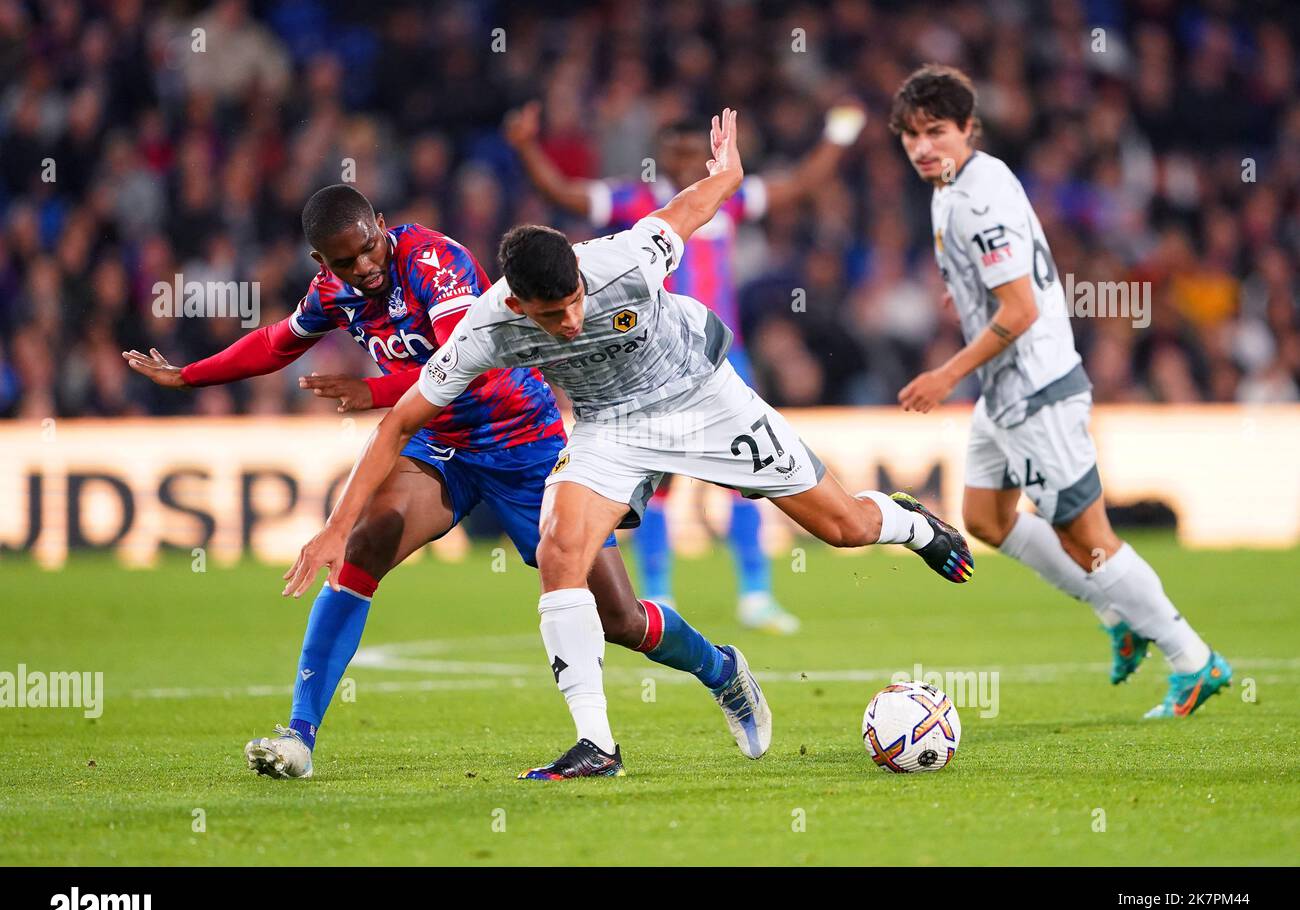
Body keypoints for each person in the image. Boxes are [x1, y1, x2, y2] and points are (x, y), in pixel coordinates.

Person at [284, 111, 972, 780]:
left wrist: (728, 172)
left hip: (703, 398)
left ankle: (911, 523)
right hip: (611, 425)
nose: (573, 318)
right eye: (554, 315)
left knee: (844, 526)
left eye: (577, 301)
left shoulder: (625, 259)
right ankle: (596, 743)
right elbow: (399, 422)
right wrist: (336, 528)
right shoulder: (485, 331)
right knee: (560, 551)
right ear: (518, 307)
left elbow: (691, 206)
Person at [124, 184, 767, 780]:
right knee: (364, 549)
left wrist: (372, 389)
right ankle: (299, 736)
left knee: (620, 618)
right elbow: (277, 342)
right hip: (441, 448)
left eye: (370, 248)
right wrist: (191, 377)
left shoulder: (436, 263)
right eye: (347, 262)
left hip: (524, 445)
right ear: (324, 261)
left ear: (381, 225)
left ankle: (723, 670)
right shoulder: (331, 292)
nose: (365, 268)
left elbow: (467, 367)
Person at [891, 65, 1231, 718]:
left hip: (1037, 387)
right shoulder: (956, 185)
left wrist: (945, 374)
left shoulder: (976, 196)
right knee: (985, 519)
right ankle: (1117, 612)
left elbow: (1018, 310)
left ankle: (1192, 658)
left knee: (1092, 540)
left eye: (936, 131)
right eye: (910, 135)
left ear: (969, 127)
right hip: (1007, 392)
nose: (922, 146)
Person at [504, 100, 867, 634]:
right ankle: (660, 593)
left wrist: (836, 135)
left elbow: (799, 184)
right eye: (672, 153)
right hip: (653, 364)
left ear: (705, 158)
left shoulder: (730, 199)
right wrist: (525, 147)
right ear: (659, 155)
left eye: (691, 154)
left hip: (724, 357)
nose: (681, 163)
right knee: (661, 479)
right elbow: (563, 193)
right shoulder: (636, 204)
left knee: (751, 476)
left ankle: (756, 593)